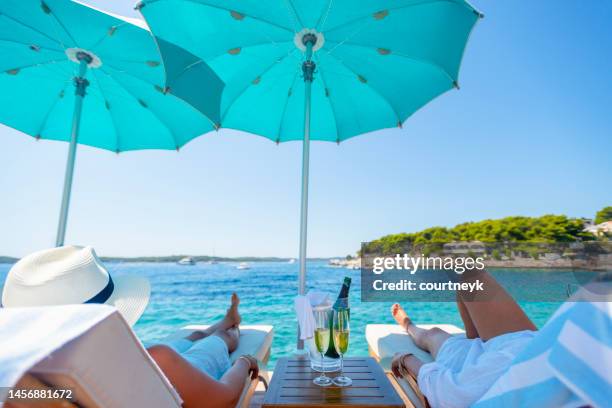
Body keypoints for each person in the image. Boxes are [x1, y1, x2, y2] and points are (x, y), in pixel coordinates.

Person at [2, 246, 258, 408]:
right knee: (218, 342)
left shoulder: (21, 384)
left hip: (109, 364)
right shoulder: (158, 361)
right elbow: (224, 397)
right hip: (162, 371)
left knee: (190, 338)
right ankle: (228, 326)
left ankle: (221, 323)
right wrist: (245, 361)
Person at [390, 269, 538, 408]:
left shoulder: (496, 377)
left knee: (433, 335)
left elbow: (448, 394)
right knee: (470, 276)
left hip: (507, 355)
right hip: (527, 344)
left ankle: (408, 325)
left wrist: (405, 358)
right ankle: (475, 335)